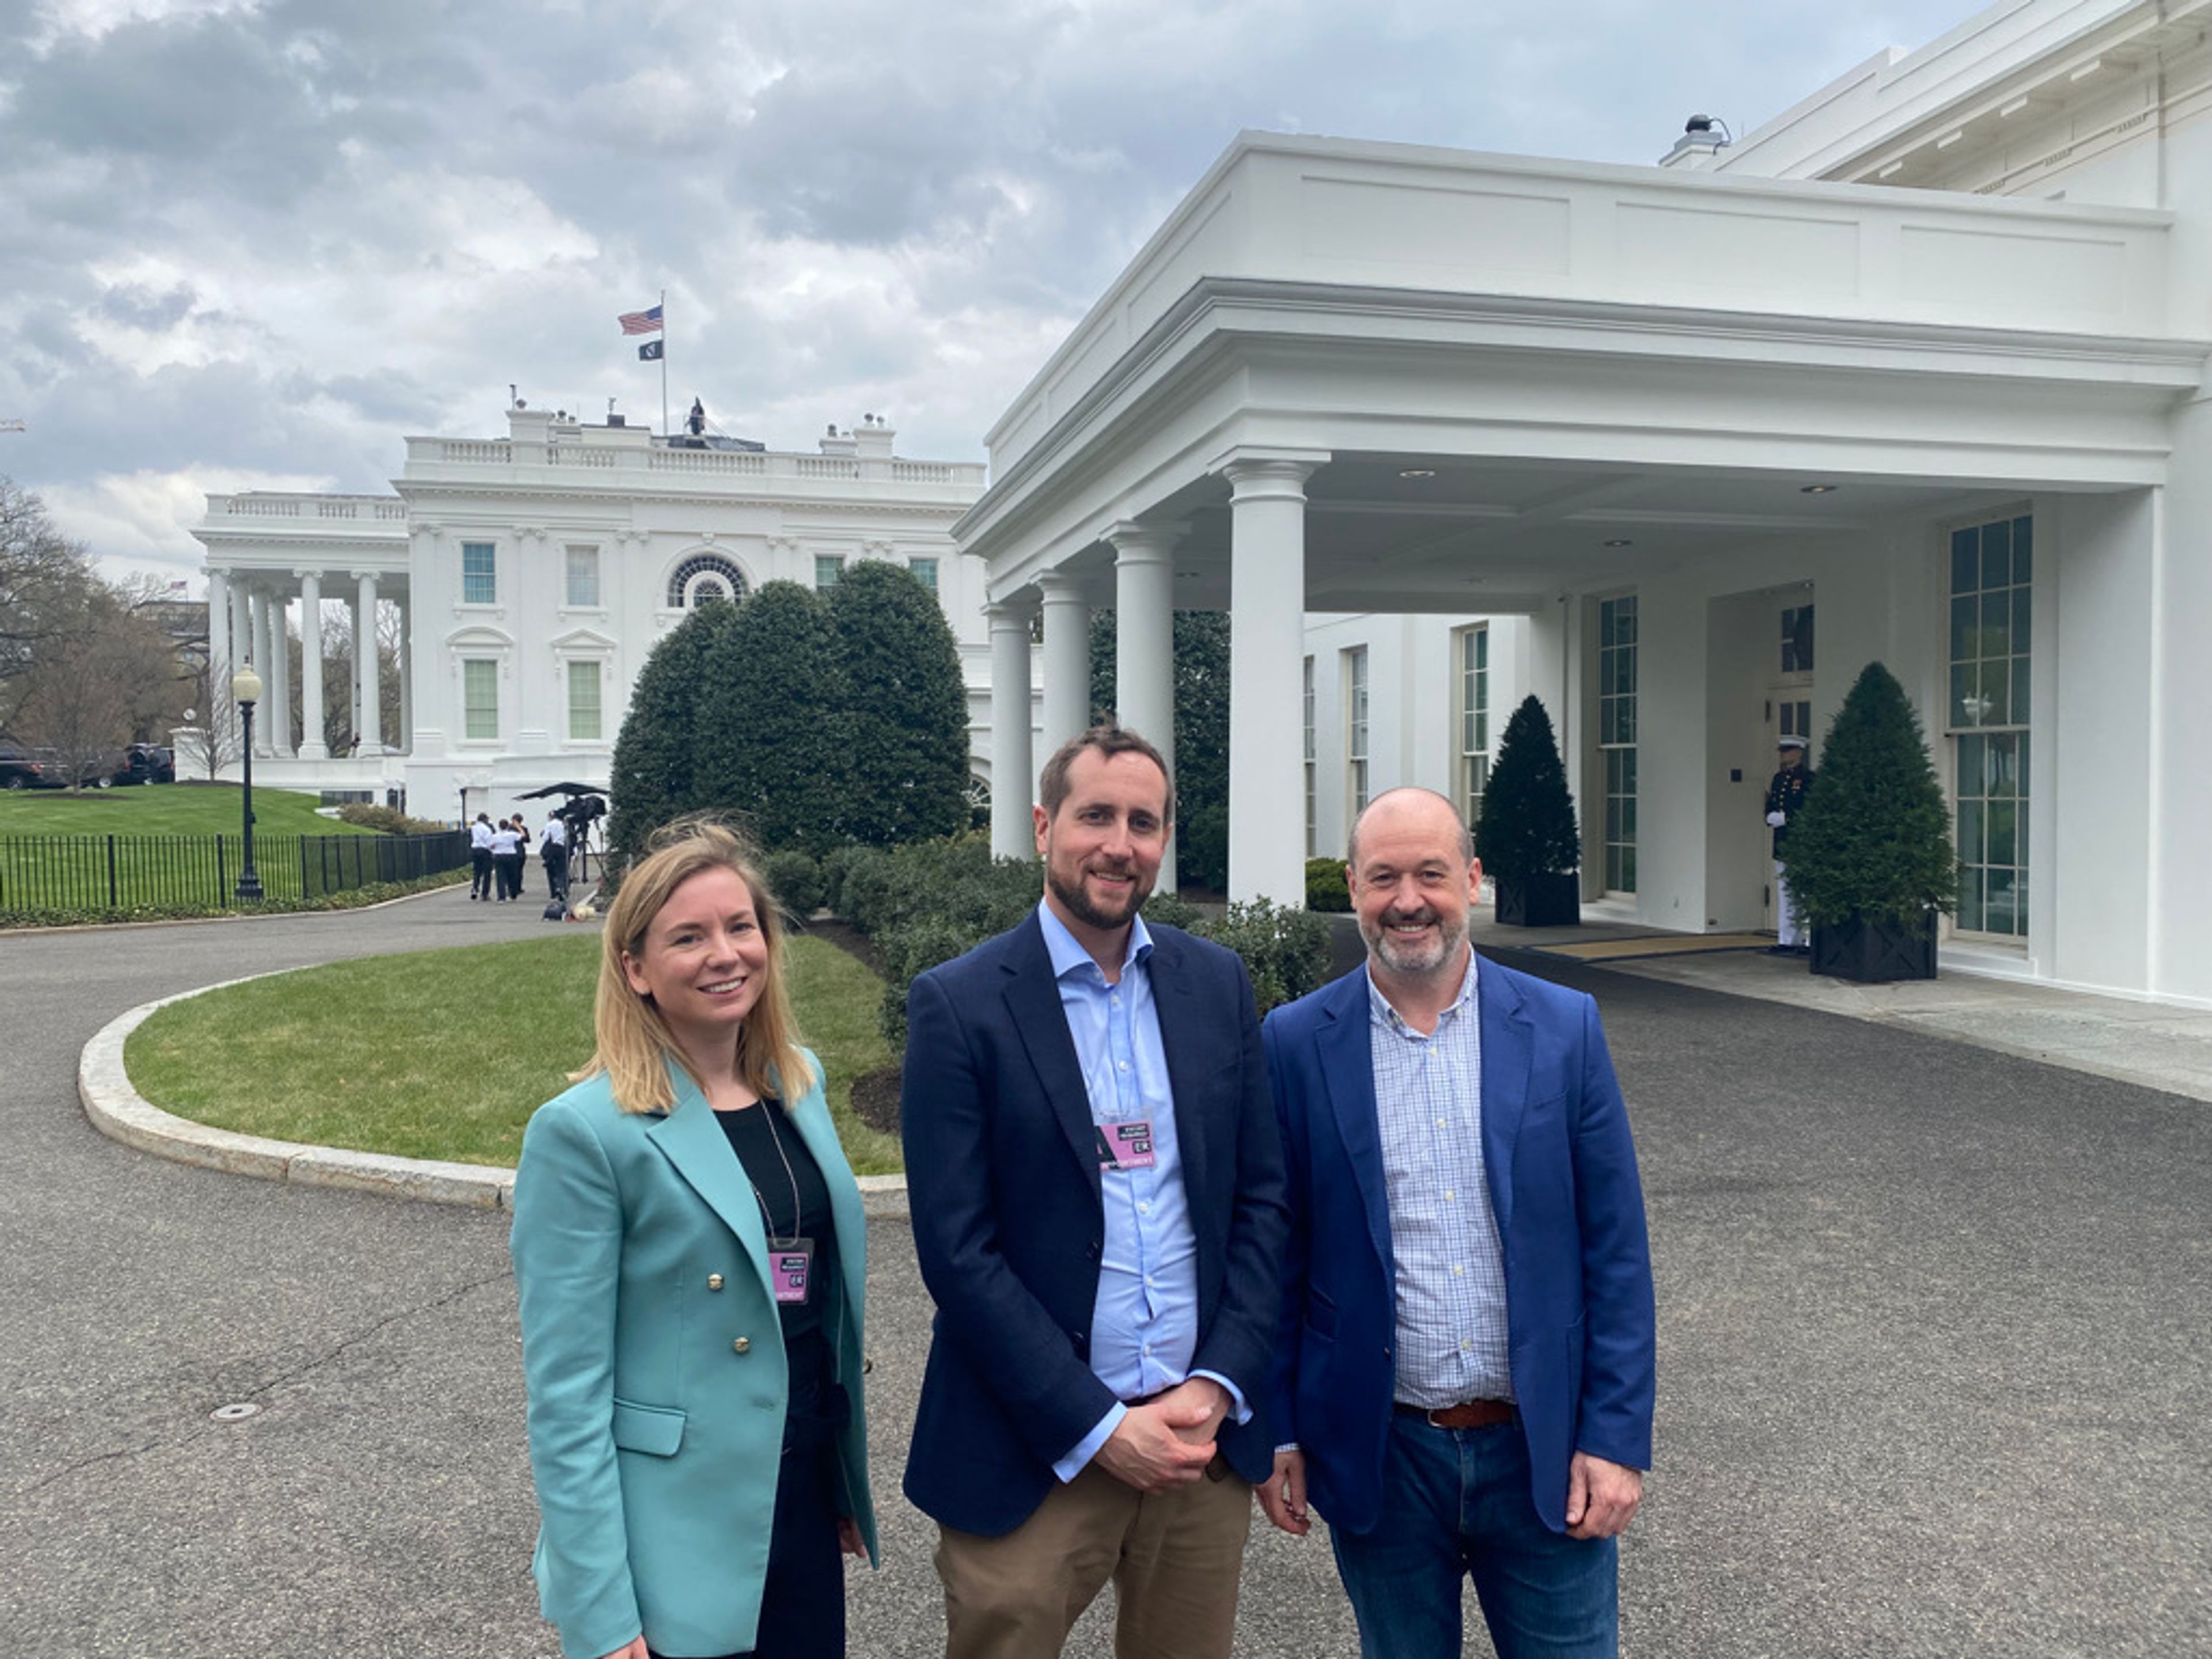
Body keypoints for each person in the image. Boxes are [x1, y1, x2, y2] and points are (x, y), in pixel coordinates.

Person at [900, 725, 1289, 1659]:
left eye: (1144, 822)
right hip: (1033, 1447)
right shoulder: (961, 1005)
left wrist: (1219, 1381)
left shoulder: (1216, 984)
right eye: (1096, 816)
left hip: (1197, 1444)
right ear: (1043, 827)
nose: (1121, 843)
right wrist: (1098, 1424)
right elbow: (959, 1253)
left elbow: (1264, 1203)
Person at [1256, 787, 1655, 1659]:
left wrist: (1615, 1439)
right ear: (1353, 889)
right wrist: (1278, 1429)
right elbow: (1276, 1255)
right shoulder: (1293, 1042)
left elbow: (1615, 1249)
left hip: (1543, 1453)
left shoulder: (1563, 1027)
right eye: (1384, 877)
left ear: (1471, 880)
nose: (1408, 901)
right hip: (1382, 1453)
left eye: (1431, 874)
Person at [510, 822, 877, 1659]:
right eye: (689, 937)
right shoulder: (586, 1135)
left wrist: (838, 1480)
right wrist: (600, 1609)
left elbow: (816, 1306)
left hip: (798, 1498)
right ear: (635, 969)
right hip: (673, 1535)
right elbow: (566, 1398)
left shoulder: (800, 1082)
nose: (726, 954)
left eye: (740, 927)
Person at [1765, 734, 1815, 956]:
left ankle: (1808, 940)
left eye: (1787, 751)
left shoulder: (1809, 779)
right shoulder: (1778, 779)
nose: (1783, 755)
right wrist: (1770, 816)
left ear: (1799, 752)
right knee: (1786, 894)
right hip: (1783, 843)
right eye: (1782, 751)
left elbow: (1809, 808)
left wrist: (1788, 819)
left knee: (1804, 894)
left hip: (1801, 843)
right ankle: (1787, 940)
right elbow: (1771, 804)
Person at [488, 815, 524, 902]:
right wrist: (519, 827)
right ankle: (513, 894)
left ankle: (501, 896)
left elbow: (491, 846)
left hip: (499, 856)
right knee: (512, 875)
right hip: (511, 855)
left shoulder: (495, 836)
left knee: (500, 877)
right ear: (507, 826)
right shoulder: (512, 834)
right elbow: (523, 836)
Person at [543, 809, 571, 900]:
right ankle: (562, 887)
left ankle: (554, 890)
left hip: (552, 849)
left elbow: (545, 837)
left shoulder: (550, 825)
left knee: (552, 870)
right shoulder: (564, 824)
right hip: (562, 848)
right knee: (563, 870)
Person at [469, 812, 495, 900]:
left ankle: (475, 889)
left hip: (475, 849)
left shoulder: (474, 827)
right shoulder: (487, 829)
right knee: (487, 873)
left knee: (477, 871)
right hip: (485, 850)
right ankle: (485, 894)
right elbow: (489, 842)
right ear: (485, 820)